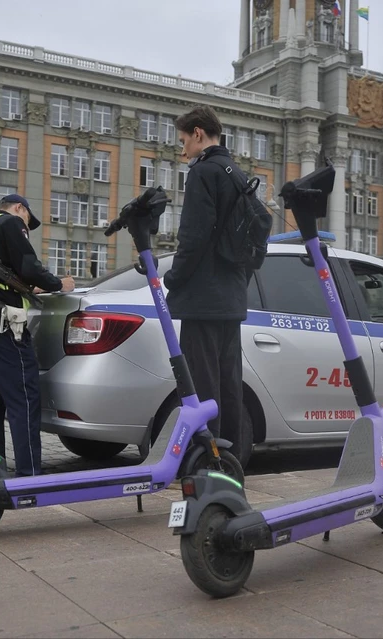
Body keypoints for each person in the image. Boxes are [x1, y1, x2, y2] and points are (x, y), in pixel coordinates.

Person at [162, 104, 251, 467]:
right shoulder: (237, 173)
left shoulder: (203, 173)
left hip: (202, 300)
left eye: (184, 141)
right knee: (230, 386)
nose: (182, 151)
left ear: (198, 133)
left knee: (203, 387)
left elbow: (193, 237)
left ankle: (207, 461)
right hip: (231, 299)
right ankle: (233, 461)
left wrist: (173, 278)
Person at [0, 193, 74, 477]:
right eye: (27, 218)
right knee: (23, 395)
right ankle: (29, 473)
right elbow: (28, 264)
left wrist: (26, 288)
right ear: (19, 208)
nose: (26, 226)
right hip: (3, 322)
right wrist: (57, 282)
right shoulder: (10, 222)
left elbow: (2, 272)